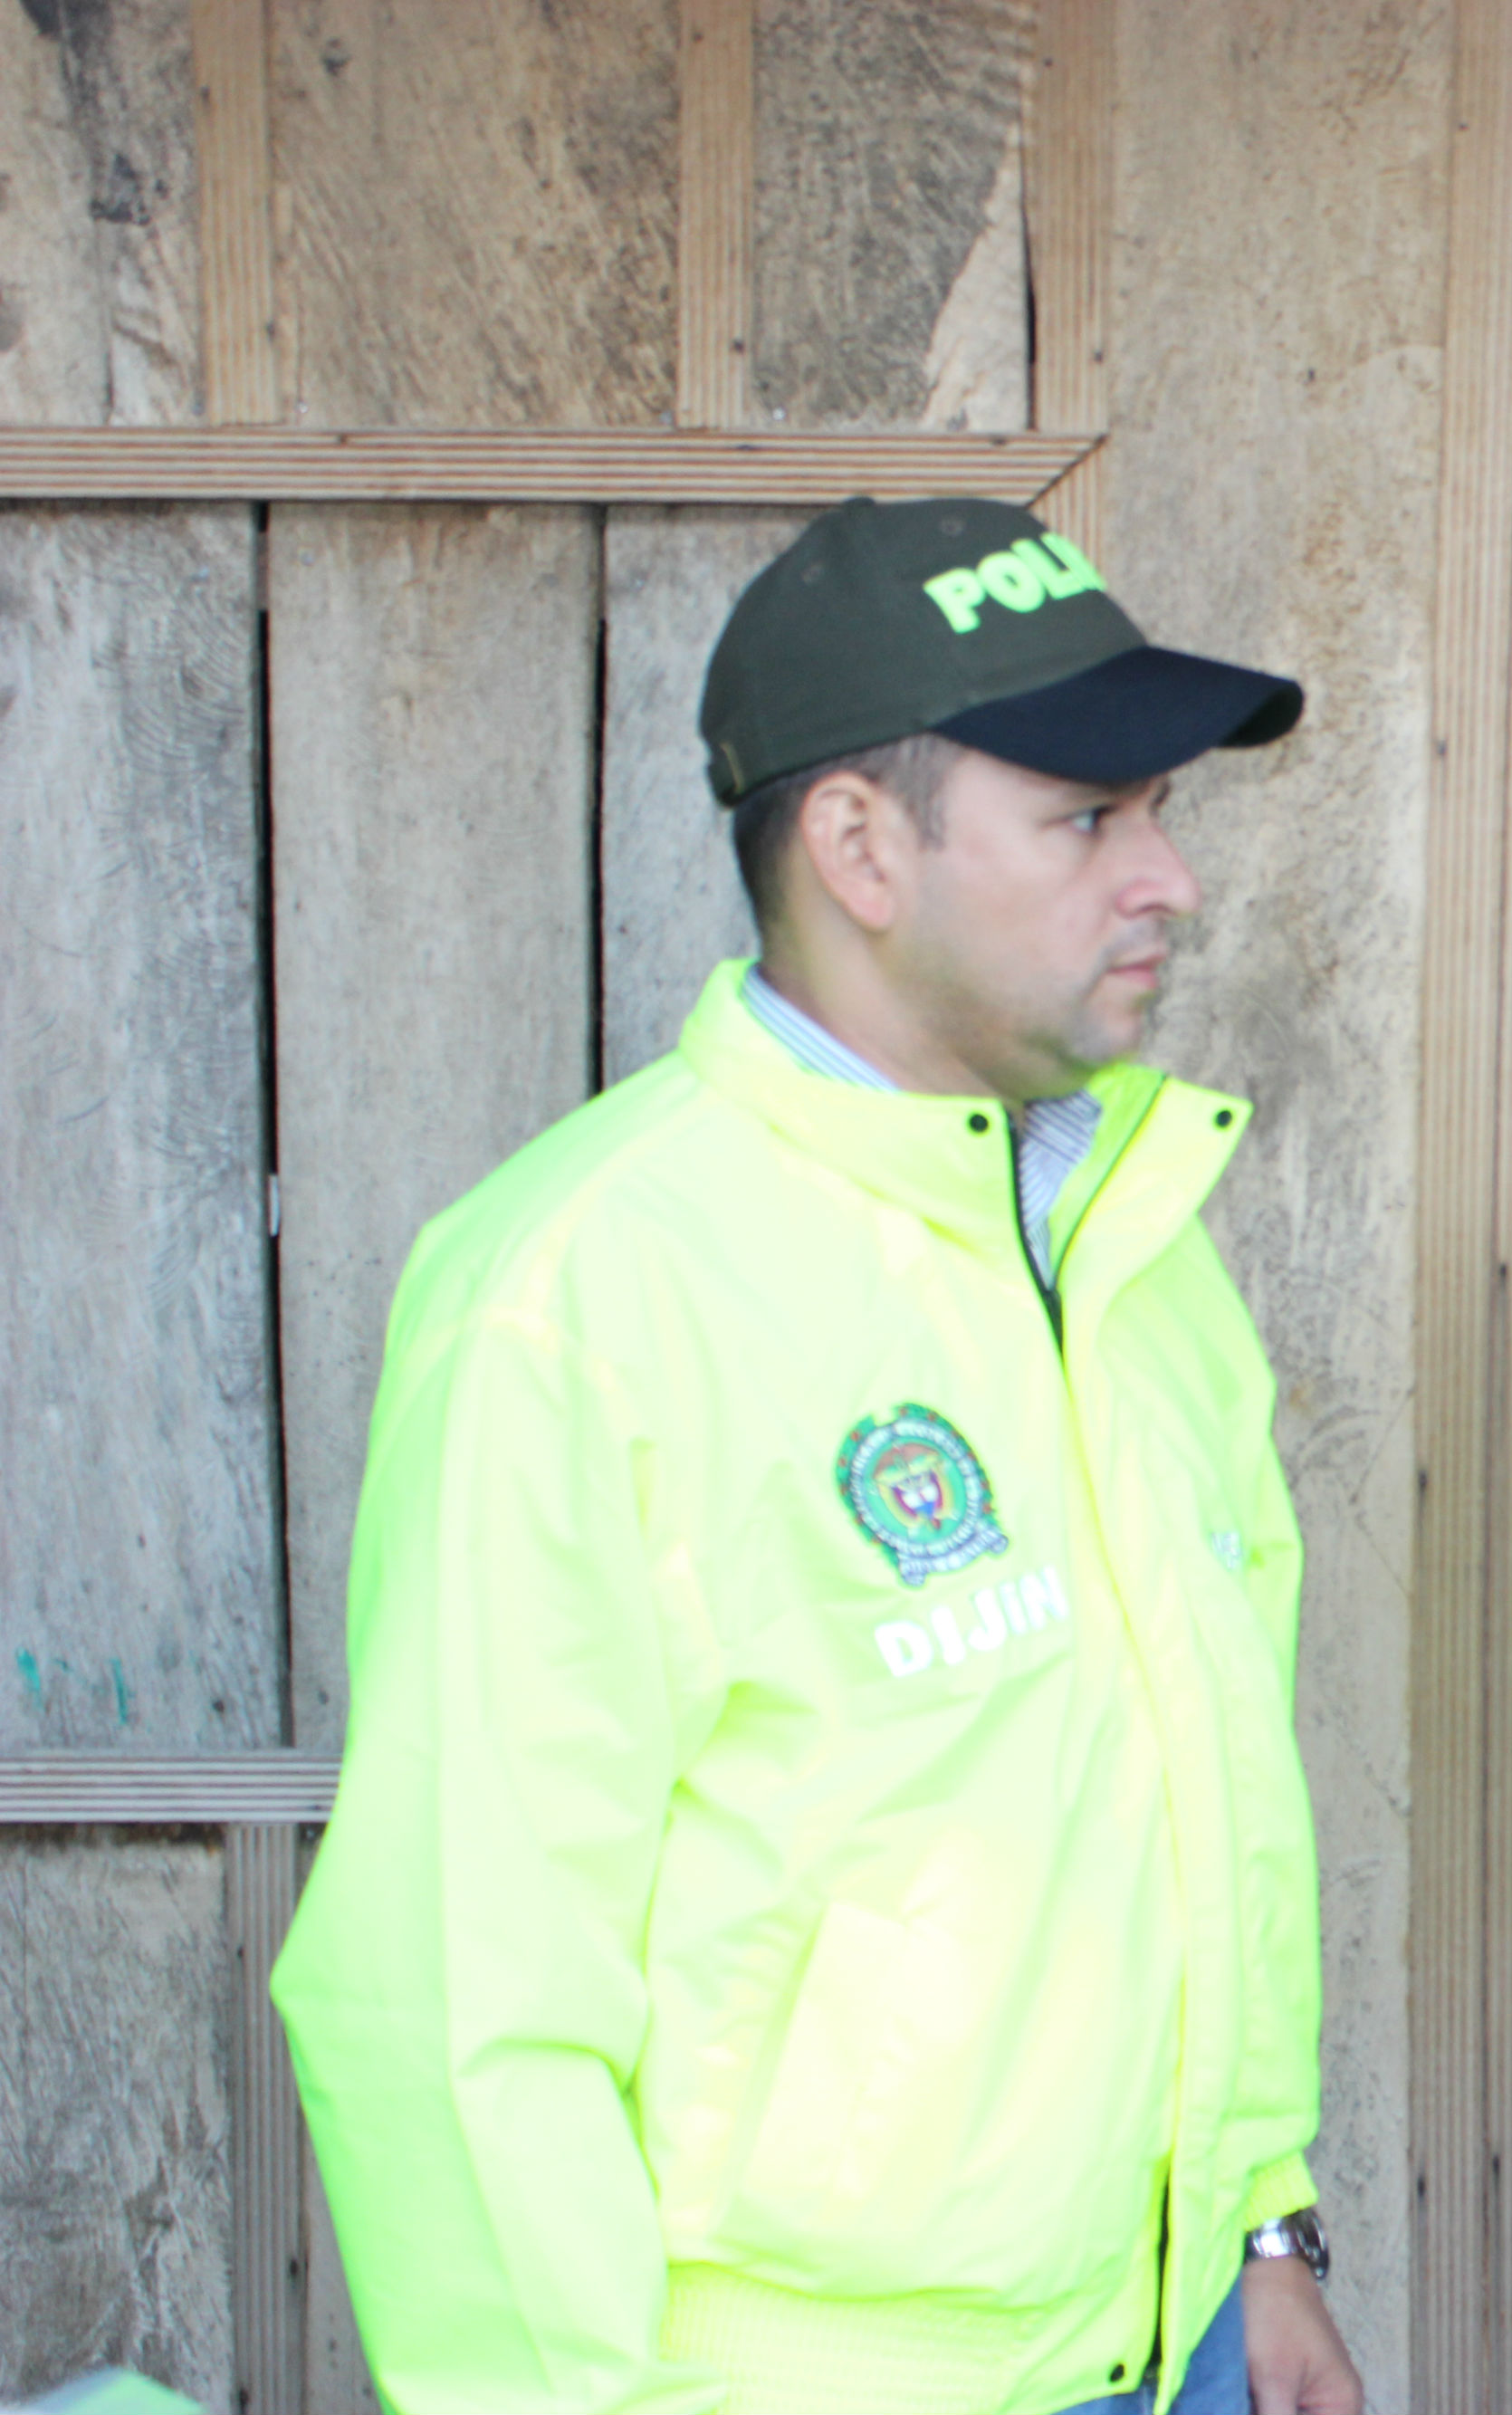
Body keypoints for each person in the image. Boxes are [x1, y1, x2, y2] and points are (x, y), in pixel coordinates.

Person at [272, 496, 1363, 2415]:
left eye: (1163, 811)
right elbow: (453, 1996)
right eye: (1091, 816)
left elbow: (1209, 1803)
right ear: (857, 844)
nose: (1170, 878)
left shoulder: (1132, 1239)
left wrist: (1258, 2230)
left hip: (1180, 2341)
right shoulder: (578, 1288)